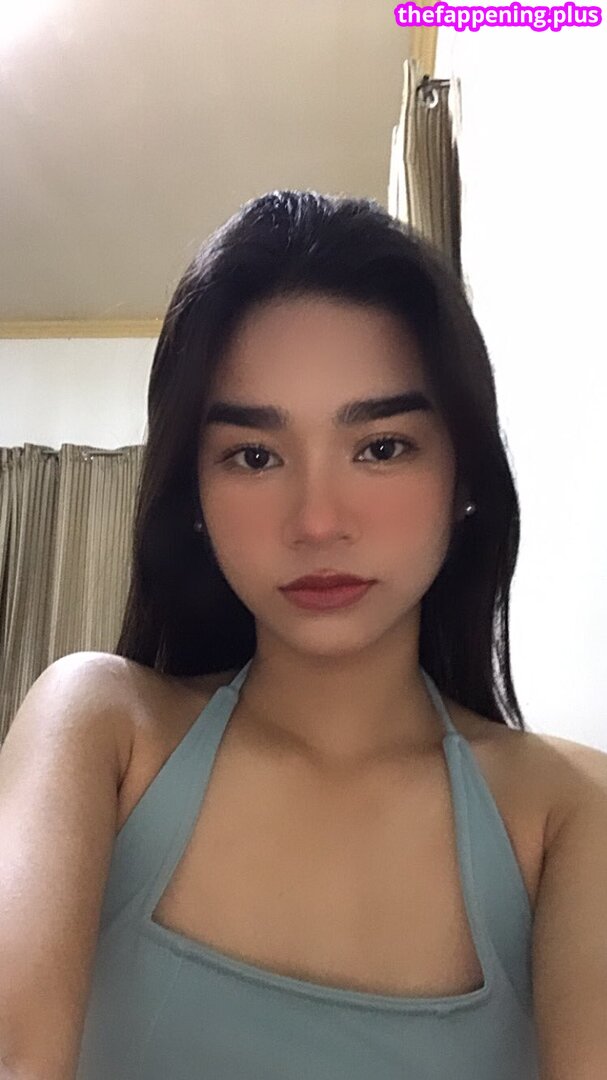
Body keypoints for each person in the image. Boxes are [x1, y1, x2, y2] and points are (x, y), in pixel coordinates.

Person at [4, 191, 549, 1078]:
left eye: (380, 447)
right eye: (254, 456)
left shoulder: (563, 815)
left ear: (464, 477)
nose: (317, 522)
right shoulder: (102, 728)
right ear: (194, 496)